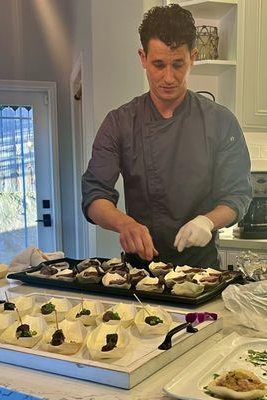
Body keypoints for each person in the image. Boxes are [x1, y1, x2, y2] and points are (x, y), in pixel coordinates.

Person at [81, 4, 252, 268]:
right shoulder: (120, 122)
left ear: (193, 57)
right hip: (140, 271)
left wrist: (208, 221)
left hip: (202, 271)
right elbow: (94, 195)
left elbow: (237, 195)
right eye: (158, 65)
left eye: (178, 64)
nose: (169, 78)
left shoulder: (220, 121)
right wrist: (124, 223)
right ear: (143, 58)